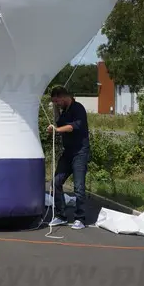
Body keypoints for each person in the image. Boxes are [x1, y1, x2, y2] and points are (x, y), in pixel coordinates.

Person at [47, 85, 90, 230]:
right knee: (56, 182)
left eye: (57, 102)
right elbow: (58, 122)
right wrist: (55, 111)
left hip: (80, 152)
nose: (57, 104)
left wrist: (57, 130)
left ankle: (80, 218)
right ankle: (61, 216)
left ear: (65, 97)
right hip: (68, 152)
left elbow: (72, 127)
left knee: (78, 187)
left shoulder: (78, 108)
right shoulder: (63, 111)